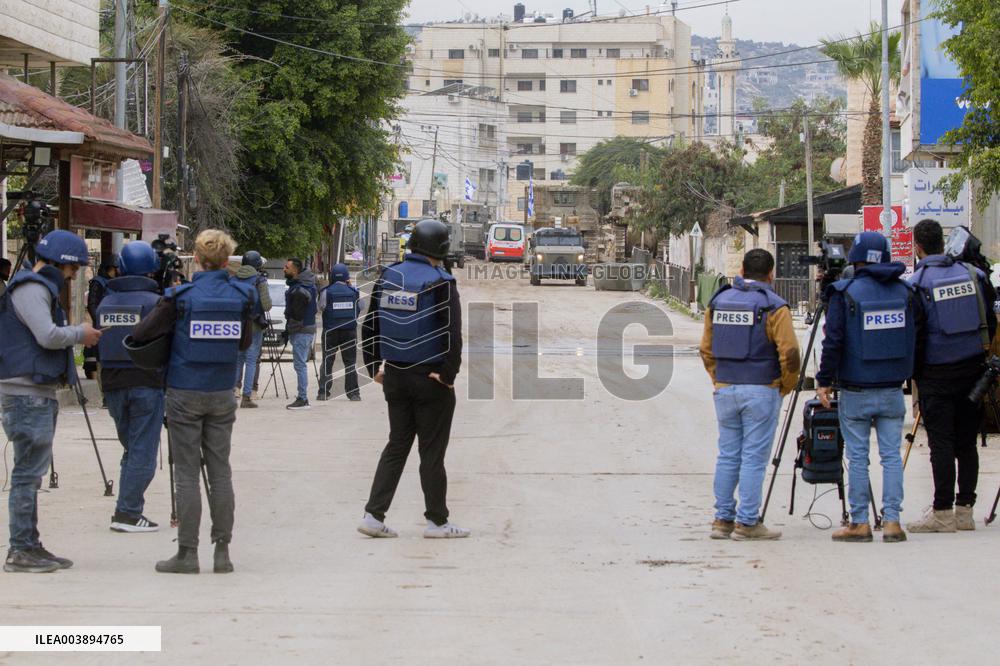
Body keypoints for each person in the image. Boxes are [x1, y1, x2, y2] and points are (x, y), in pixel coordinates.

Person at [129, 229, 254, 574]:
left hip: (184, 391)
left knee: (186, 474)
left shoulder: (180, 297)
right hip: (222, 392)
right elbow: (243, 343)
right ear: (227, 261)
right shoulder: (241, 296)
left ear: (196, 259)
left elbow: (141, 335)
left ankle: (187, 553)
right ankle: (223, 552)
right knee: (221, 472)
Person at [358, 219, 468, 539]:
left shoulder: (388, 276)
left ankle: (373, 516)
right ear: (442, 248)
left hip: (394, 375)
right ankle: (437, 521)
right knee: (431, 453)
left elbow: (370, 327)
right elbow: (453, 335)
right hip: (429, 379)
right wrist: (448, 375)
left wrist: (375, 367)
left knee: (396, 445)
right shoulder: (441, 281)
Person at [0, 230, 101, 573]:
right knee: (27, 475)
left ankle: (29, 544)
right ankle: (20, 550)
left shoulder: (37, 288)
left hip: (34, 394)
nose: (72, 278)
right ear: (61, 264)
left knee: (31, 474)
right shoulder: (32, 289)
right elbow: (46, 335)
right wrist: (80, 334)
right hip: (25, 396)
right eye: (72, 271)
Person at [816, 231, 916, 543]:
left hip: (856, 390)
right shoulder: (905, 292)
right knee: (891, 456)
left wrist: (823, 381)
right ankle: (892, 522)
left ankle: (859, 522)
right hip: (892, 389)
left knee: (858, 457)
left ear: (854, 259)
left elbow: (833, 342)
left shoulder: (844, 292)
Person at [699, 249, 800, 541]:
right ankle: (747, 522)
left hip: (726, 388)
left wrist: (719, 378)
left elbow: (706, 348)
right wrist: (785, 385)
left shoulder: (718, 301)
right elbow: (790, 352)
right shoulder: (774, 306)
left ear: (741, 269)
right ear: (772, 274)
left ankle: (722, 519)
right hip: (762, 388)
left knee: (728, 455)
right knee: (754, 458)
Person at [906, 220, 997, 533]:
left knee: (941, 443)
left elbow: (914, 335)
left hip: (936, 372)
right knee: (967, 442)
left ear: (917, 246)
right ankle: (965, 511)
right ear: (941, 244)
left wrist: (915, 376)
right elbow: (990, 319)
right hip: (973, 369)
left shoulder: (917, 283)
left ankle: (942, 511)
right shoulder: (973, 275)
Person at [97, 241, 166, 533]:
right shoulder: (156, 303)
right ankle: (128, 512)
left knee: (130, 448)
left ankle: (125, 507)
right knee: (143, 451)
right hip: (147, 383)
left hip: (112, 384)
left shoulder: (105, 302)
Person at [317, 263, 361, 402]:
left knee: (327, 361)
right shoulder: (354, 291)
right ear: (347, 276)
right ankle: (353, 394)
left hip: (330, 331)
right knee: (350, 362)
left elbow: (321, 307)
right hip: (349, 331)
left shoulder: (326, 291)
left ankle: (323, 392)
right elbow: (360, 307)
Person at [234, 251, 271, 409]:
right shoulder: (259, 280)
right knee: (251, 359)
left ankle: (233, 391)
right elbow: (267, 305)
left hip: (236, 324)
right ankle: (247, 396)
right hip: (254, 324)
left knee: (238, 358)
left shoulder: (233, 279)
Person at [283, 257, 317, 411]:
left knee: (300, 365)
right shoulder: (305, 285)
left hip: (301, 330)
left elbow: (296, 313)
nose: (284, 269)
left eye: (287, 267)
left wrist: (290, 326)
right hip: (303, 330)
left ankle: (302, 398)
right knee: (300, 364)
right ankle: (302, 397)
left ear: (295, 270)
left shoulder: (301, 289)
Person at [84, 255, 119, 386]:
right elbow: (92, 304)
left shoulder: (117, 283)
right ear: (111, 268)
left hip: (116, 327)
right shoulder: (98, 282)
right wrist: (99, 322)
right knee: (102, 360)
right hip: (103, 328)